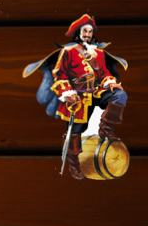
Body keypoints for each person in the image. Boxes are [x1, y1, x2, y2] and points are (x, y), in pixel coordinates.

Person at [24, 14, 129, 180]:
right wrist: (68, 92)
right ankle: (74, 163)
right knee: (74, 133)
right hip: (77, 97)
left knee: (119, 95)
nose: (87, 34)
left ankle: (106, 128)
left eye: (90, 31)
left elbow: (104, 73)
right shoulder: (68, 52)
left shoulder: (98, 53)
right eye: (84, 31)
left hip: (96, 92)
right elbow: (59, 75)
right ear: (79, 33)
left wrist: (110, 82)